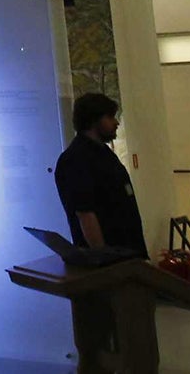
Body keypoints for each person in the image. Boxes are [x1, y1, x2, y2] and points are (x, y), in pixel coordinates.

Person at [55, 91, 145, 255]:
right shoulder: (76, 160)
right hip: (111, 263)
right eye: (110, 117)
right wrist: (103, 257)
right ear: (93, 120)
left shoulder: (104, 153)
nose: (116, 122)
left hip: (126, 255)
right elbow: (85, 212)